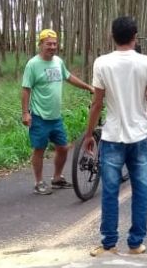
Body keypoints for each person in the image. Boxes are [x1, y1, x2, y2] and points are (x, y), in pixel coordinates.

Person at [84, 16, 147, 256]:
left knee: (110, 191)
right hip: (139, 137)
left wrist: (89, 134)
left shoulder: (102, 63)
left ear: (112, 36)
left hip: (111, 137)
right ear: (135, 36)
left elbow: (97, 104)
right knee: (141, 189)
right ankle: (136, 243)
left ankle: (109, 244)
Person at [21, 28, 93, 194]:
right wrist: (25, 113)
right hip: (39, 116)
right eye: (48, 44)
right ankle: (39, 183)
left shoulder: (58, 62)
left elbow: (68, 77)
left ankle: (57, 178)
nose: (52, 47)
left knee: (63, 147)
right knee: (39, 149)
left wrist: (87, 86)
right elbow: (25, 89)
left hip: (55, 117)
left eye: (54, 44)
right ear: (41, 44)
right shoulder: (33, 64)